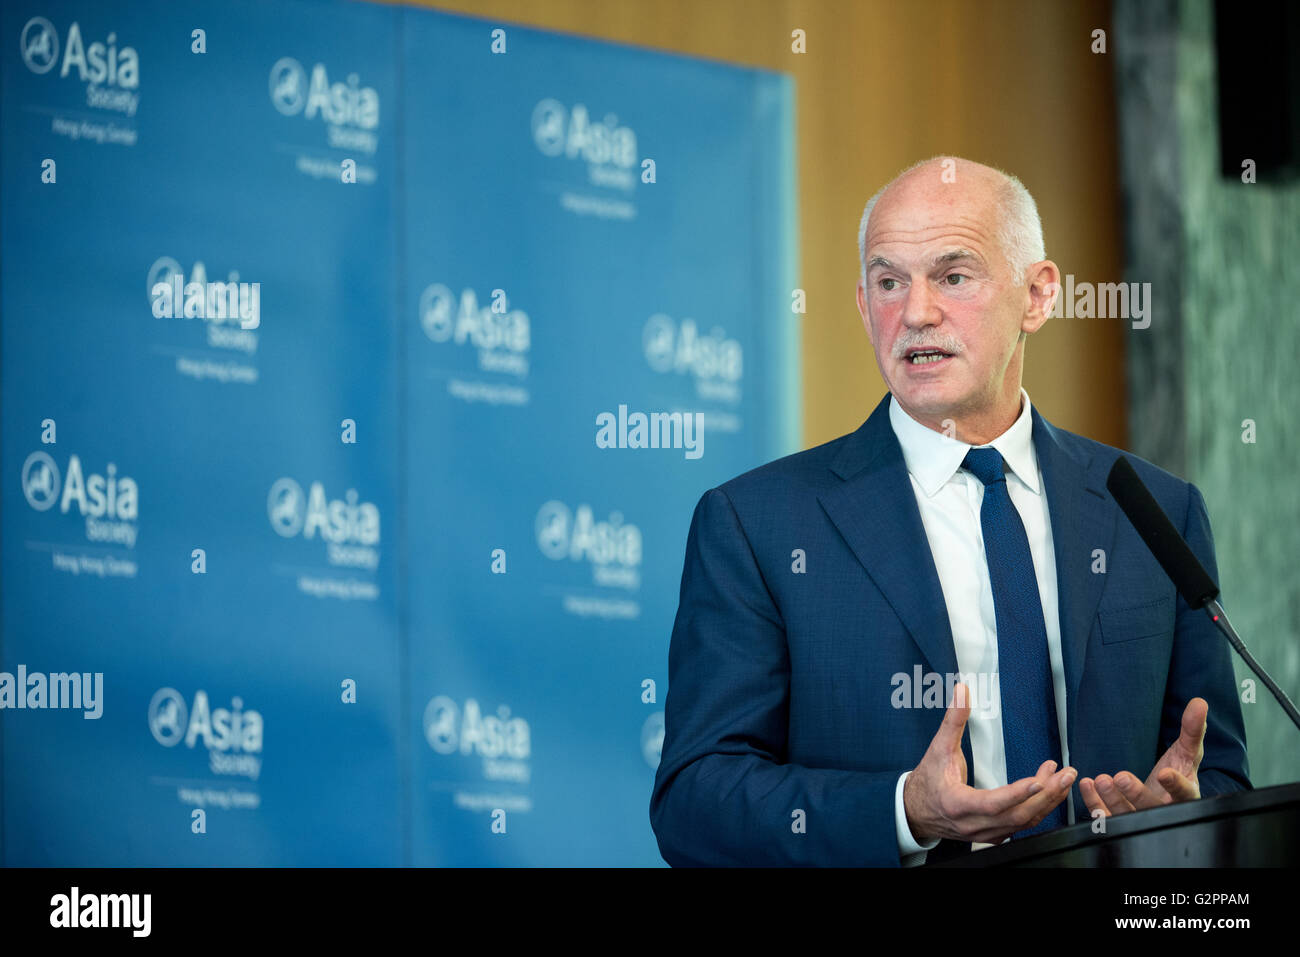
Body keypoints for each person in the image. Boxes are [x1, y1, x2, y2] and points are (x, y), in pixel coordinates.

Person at [648, 156, 1250, 866]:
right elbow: (695, 800)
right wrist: (903, 811)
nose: (916, 311)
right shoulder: (758, 526)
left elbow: (1220, 776)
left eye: (953, 275)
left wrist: (1174, 822)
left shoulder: (1155, 512)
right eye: (889, 281)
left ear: (1038, 295)